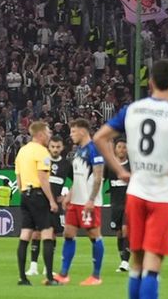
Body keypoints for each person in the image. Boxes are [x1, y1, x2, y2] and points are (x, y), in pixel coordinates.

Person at [94, 59, 168, 299]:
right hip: (163, 194)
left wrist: (120, 170)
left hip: (136, 192)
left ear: (150, 82)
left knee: (137, 261)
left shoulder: (132, 110)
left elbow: (100, 137)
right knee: (153, 262)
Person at [13, 119, 60, 286]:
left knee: (25, 234)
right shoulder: (42, 152)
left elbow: (18, 178)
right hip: (38, 195)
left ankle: (22, 278)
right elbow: (43, 178)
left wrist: (24, 193)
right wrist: (52, 200)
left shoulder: (22, 151)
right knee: (47, 232)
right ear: (40, 134)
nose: (49, 135)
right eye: (48, 132)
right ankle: (49, 277)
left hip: (25, 194)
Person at [60, 119, 105, 286]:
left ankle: (96, 276)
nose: (71, 135)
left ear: (83, 131)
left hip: (88, 202)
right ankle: (63, 274)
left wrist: (91, 199)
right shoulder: (79, 151)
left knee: (94, 235)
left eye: (73, 131)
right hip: (76, 201)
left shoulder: (95, 149)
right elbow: (79, 177)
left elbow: (98, 177)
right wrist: (70, 195)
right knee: (68, 233)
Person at [30, 136, 71, 278]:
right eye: (53, 146)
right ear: (49, 147)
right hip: (40, 202)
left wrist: (66, 196)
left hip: (55, 205)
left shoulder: (66, 164)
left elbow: (78, 180)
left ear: (62, 147)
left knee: (52, 234)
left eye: (58, 147)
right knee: (36, 233)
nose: (55, 149)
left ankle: (47, 267)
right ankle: (33, 266)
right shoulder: (43, 160)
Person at [109, 139, 131, 272]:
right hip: (115, 205)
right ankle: (122, 259)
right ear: (115, 149)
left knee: (125, 230)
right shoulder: (110, 166)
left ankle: (125, 262)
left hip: (129, 204)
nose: (122, 149)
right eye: (119, 147)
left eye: (124, 147)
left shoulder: (131, 166)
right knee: (119, 233)